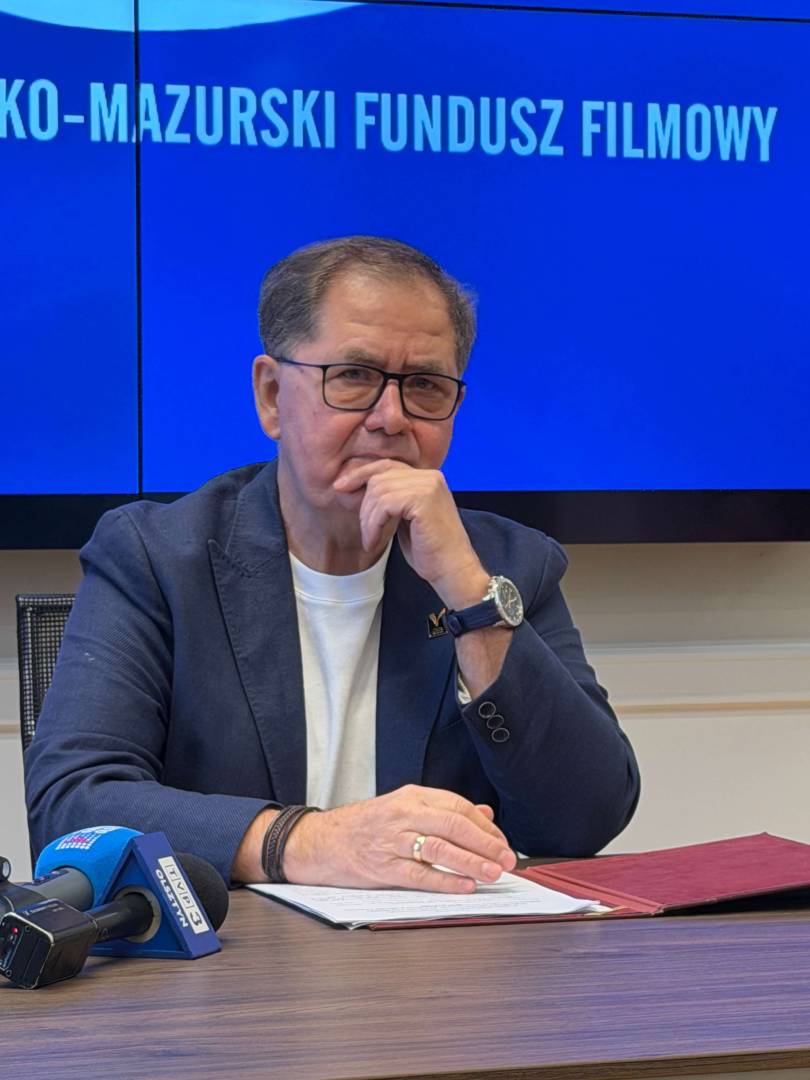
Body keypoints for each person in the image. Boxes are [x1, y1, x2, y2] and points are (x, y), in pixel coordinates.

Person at [26, 236, 640, 892]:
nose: (391, 418)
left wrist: (471, 598)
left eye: (425, 386)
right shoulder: (155, 558)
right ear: (271, 396)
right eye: (353, 376)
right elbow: (74, 807)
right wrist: (305, 841)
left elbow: (587, 818)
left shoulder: (507, 567)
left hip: (447, 948)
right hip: (236, 952)